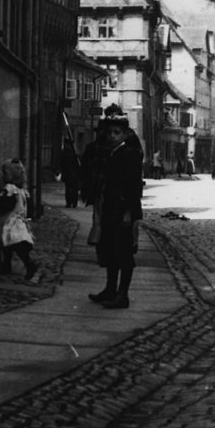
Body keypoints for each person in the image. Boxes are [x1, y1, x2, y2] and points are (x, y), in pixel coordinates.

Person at [90, 116, 144, 309]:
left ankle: (123, 295)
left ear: (125, 134)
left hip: (123, 210)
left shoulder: (128, 154)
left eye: (117, 133)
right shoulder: (113, 153)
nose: (112, 136)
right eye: (110, 132)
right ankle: (110, 289)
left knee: (124, 253)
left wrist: (129, 212)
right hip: (111, 208)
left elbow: (133, 186)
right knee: (111, 251)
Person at [0, 158, 40, 283]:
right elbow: (29, 206)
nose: (3, 176)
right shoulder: (22, 191)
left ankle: (29, 265)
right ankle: (7, 264)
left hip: (11, 222)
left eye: (5, 173)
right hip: (20, 221)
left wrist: (0, 204)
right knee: (10, 245)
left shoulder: (10, 189)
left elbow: (7, 205)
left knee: (15, 245)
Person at [59, 138, 82, 209]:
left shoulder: (74, 153)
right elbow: (61, 163)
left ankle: (73, 202)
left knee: (74, 189)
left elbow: (78, 164)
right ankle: (69, 203)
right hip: (68, 173)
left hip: (74, 174)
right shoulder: (65, 153)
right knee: (68, 189)